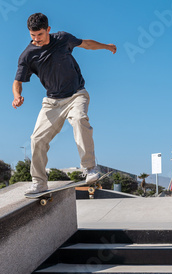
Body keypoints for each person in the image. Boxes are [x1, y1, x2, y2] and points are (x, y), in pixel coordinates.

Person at [12, 13, 117, 194]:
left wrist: (106, 47)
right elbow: (17, 81)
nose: (36, 39)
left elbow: (86, 44)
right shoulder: (27, 55)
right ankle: (39, 182)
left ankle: (89, 168)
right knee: (36, 139)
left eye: (40, 35)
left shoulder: (63, 39)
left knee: (79, 119)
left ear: (48, 30)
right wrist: (16, 96)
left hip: (76, 95)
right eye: (33, 36)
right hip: (52, 103)